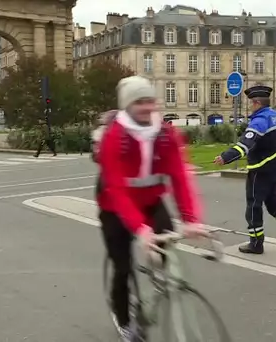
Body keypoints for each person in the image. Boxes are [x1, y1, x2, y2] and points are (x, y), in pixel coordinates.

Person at [97, 76, 208, 341]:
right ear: (127, 106)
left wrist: (191, 219)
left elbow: (179, 175)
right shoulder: (114, 138)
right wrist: (140, 229)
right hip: (115, 206)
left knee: (166, 242)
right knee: (122, 267)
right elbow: (117, 189)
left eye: (150, 100)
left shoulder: (166, 133)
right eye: (139, 102)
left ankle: (160, 280)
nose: (147, 107)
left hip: (151, 201)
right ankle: (125, 322)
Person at [213, 85, 276, 254]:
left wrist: (225, 157)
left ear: (256, 103)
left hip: (261, 168)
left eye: (251, 103)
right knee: (273, 202)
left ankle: (256, 243)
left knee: (254, 205)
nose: (250, 106)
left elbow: (245, 145)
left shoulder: (260, 121)